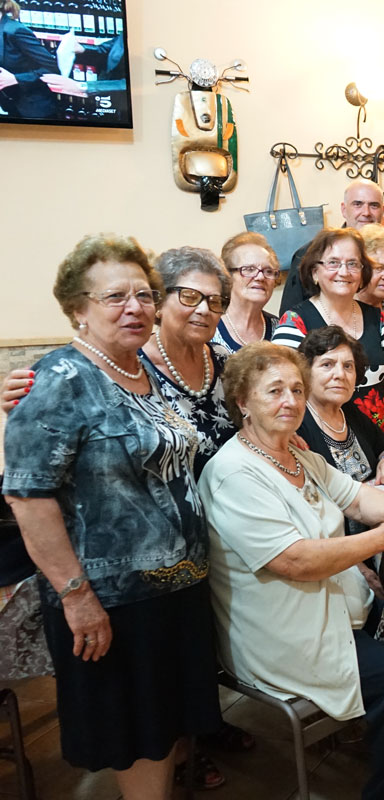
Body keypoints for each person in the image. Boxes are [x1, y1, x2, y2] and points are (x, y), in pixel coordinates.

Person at [198, 342, 384, 799]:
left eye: (296, 388)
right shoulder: (234, 473)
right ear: (242, 403)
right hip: (283, 627)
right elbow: (293, 560)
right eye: (274, 391)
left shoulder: (299, 457)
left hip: (333, 605)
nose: (290, 401)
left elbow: (357, 496)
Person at [3, 234, 220, 799]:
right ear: (78, 308)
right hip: (113, 601)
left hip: (176, 590)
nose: (135, 307)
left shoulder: (145, 372)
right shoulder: (60, 379)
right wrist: (76, 597)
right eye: (114, 296)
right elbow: (29, 496)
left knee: (167, 729)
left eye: (145, 294)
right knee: (138, 738)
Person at [272, 228, 384, 441]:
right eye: (333, 263)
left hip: (377, 442)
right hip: (317, 443)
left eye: (352, 264)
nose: (344, 272)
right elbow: (280, 388)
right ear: (314, 273)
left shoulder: (378, 318)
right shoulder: (295, 321)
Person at [142, 246, 235, 475]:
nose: (204, 309)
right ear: (159, 303)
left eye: (215, 301)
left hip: (231, 500)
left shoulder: (224, 359)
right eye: (190, 297)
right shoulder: (134, 368)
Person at [296, 326, 384, 496]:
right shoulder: (296, 422)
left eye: (348, 366)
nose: (340, 374)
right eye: (327, 365)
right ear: (306, 372)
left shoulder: (348, 412)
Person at [281, 178, 384, 313]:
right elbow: (290, 314)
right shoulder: (310, 254)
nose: (366, 212)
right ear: (344, 209)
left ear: (383, 211)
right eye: (358, 204)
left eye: (374, 205)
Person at [213, 232, 281, 352]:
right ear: (227, 276)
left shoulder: (280, 330)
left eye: (268, 271)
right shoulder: (209, 329)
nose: (260, 277)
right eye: (249, 269)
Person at [0, 2, 57, 119]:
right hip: (7, 106)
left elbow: (52, 68)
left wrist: (16, 79)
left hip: (32, 110)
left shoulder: (16, 31)